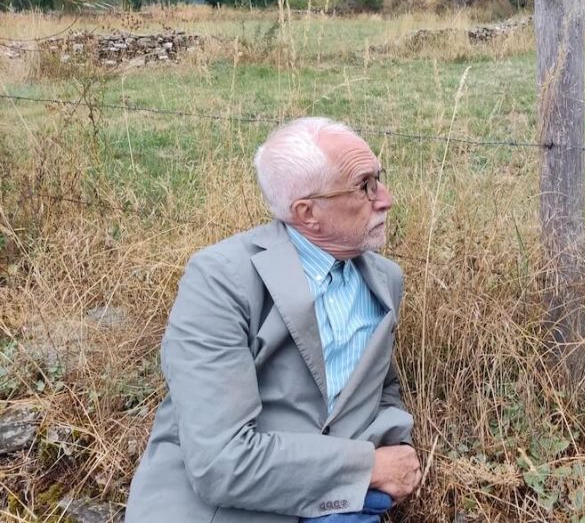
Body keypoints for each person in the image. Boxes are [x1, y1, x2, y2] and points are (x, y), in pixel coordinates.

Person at [126, 118, 421, 523]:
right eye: (365, 185)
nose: (385, 198)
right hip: (225, 512)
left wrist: (397, 445)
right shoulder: (221, 280)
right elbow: (220, 463)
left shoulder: (385, 280)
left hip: (347, 507)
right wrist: (367, 466)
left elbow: (382, 386)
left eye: (379, 179)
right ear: (307, 212)